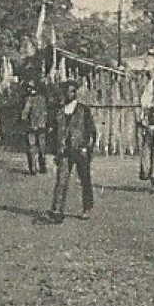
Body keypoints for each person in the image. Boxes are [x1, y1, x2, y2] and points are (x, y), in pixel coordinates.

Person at [48, 80, 96, 222]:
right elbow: (53, 133)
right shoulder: (59, 112)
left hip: (80, 150)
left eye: (71, 91)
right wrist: (55, 151)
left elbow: (91, 131)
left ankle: (87, 208)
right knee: (61, 180)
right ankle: (57, 211)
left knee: (85, 180)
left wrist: (87, 148)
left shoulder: (83, 110)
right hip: (64, 151)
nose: (68, 94)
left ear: (75, 93)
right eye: (66, 91)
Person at [19, 79, 49, 175]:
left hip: (32, 126)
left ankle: (33, 168)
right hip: (42, 125)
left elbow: (24, 113)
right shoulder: (43, 98)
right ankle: (42, 166)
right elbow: (46, 113)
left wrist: (23, 121)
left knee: (32, 147)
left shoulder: (28, 99)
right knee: (42, 146)